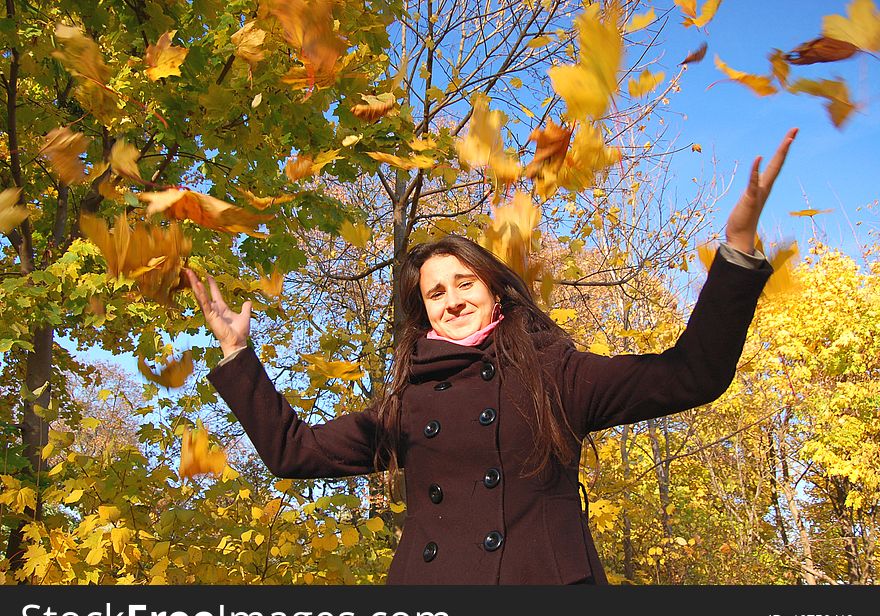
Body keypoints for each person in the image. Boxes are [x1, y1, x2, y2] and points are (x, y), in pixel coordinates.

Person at [184, 128, 798, 585]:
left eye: (464, 283)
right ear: (422, 312)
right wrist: (238, 355)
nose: (451, 301)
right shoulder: (405, 406)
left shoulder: (555, 374)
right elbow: (292, 452)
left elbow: (693, 373)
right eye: (434, 293)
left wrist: (738, 244)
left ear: (495, 288)